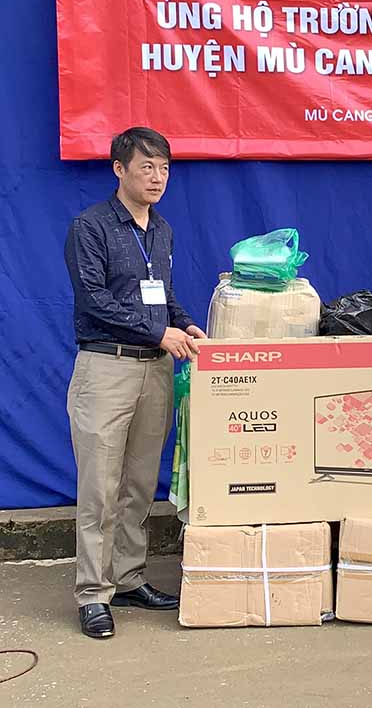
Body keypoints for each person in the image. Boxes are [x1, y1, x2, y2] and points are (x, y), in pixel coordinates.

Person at [64, 127, 206, 640]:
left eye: (164, 168)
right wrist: (159, 332)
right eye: (147, 167)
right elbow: (94, 299)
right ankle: (92, 594)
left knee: (141, 483)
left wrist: (183, 323)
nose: (157, 177)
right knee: (99, 488)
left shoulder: (161, 229)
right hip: (107, 368)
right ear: (119, 169)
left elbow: (162, 294)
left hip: (156, 369)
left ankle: (127, 578)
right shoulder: (91, 227)